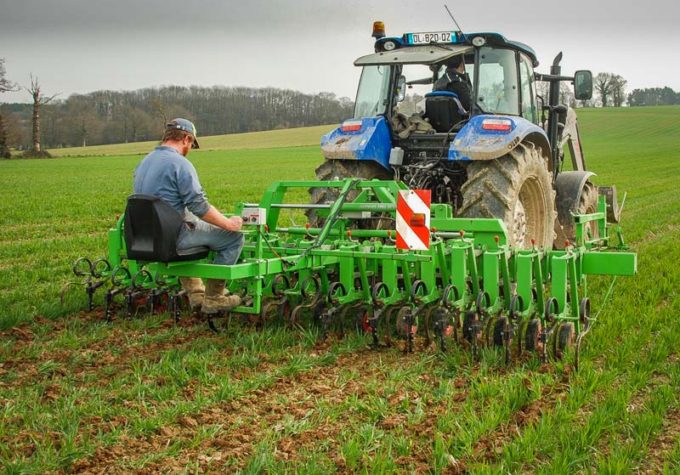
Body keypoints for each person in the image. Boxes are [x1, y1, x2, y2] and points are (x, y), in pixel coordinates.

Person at [133, 118, 244, 314]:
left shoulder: (145, 161)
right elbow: (198, 205)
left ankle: (196, 294)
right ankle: (214, 298)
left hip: (145, 237)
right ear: (186, 138)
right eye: (191, 144)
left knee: (193, 225)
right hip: (173, 237)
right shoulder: (180, 163)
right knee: (233, 238)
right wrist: (229, 223)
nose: (190, 148)